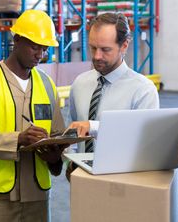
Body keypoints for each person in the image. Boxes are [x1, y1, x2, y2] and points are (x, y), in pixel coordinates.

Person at [0, 10, 67, 222]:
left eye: (44, 48)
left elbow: (57, 135)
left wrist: (56, 158)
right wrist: (18, 139)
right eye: (35, 46)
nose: (40, 54)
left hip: (37, 195)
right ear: (16, 40)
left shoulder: (47, 85)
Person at [65, 12, 159, 178]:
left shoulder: (143, 91)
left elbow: (144, 142)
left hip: (122, 183)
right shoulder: (80, 84)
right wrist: (70, 161)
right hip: (81, 181)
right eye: (93, 48)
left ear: (124, 45)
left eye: (105, 49)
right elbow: (73, 132)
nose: (96, 56)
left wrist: (94, 127)